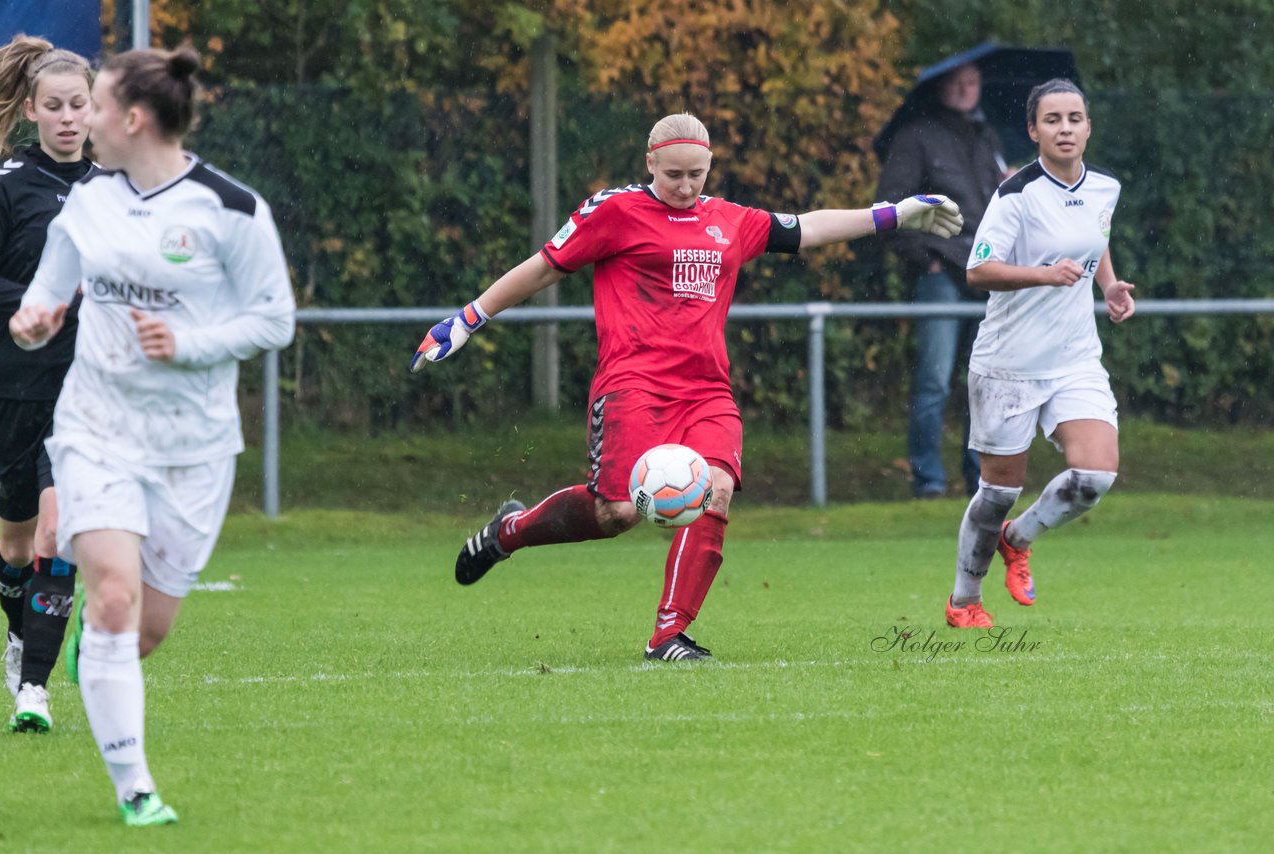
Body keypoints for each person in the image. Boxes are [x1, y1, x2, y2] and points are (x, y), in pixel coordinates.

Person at [412, 112, 963, 660]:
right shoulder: (614, 211)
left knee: (716, 488)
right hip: (631, 386)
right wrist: (467, 319)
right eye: (673, 174)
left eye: (696, 174)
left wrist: (897, 213)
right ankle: (510, 532)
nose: (684, 186)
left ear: (709, 167)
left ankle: (668, 635)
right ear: (650, 162)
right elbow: (544, 267)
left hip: (706, 392)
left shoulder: (728, 220)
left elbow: (808, 227)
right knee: (616, 514)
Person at [10, 45, 296, 825]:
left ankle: (98, 647)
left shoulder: (231, 210)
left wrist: (189, 343)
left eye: (95, 106)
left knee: (144, 630)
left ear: (132, 120)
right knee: (108, 596)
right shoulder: (87, 203)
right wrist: (35, 324)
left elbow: (274, 319)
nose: (83, 120)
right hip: (95, 429)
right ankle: (137, 791)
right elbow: (44, 300)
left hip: (193, 449)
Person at [944, 79, 1135, 628]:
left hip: (1075, 358)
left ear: (1089, 126)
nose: (1066, 128)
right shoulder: (1015, 195)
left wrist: (1110, 286)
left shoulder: (1105, 188)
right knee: (998, 489)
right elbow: (978, 270)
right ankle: (964, 600)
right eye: (1053, 120)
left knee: (1096, 474)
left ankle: (1018, 541)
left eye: (1075, 118)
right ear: (1034, 131)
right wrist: (1044, 275)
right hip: (1008, 364)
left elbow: (1093, 236)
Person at [0, 35, 96, 733]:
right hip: (13, 384)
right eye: (53, 106)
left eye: (78, 105)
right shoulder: (5, 184)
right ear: (31, 109)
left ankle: (34, 690)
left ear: (95, 112)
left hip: (87, 390)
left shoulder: (117, 189)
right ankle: (17, 624)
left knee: (58, 532)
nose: (66, 117)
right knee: (17, 548)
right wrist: (39, 301)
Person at [874, 62, 1010, 499]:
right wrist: (924, 260)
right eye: (957, 82)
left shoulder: (988, 137)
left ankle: (979, 479)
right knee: (933, 379)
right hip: (941, 269)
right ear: (940, 88)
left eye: (973, 81)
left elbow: (1001, 205)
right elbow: (891, 207)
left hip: (988, 270)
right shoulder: (914, 136)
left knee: (984, 378)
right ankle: (928, 479)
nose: (966, 89)